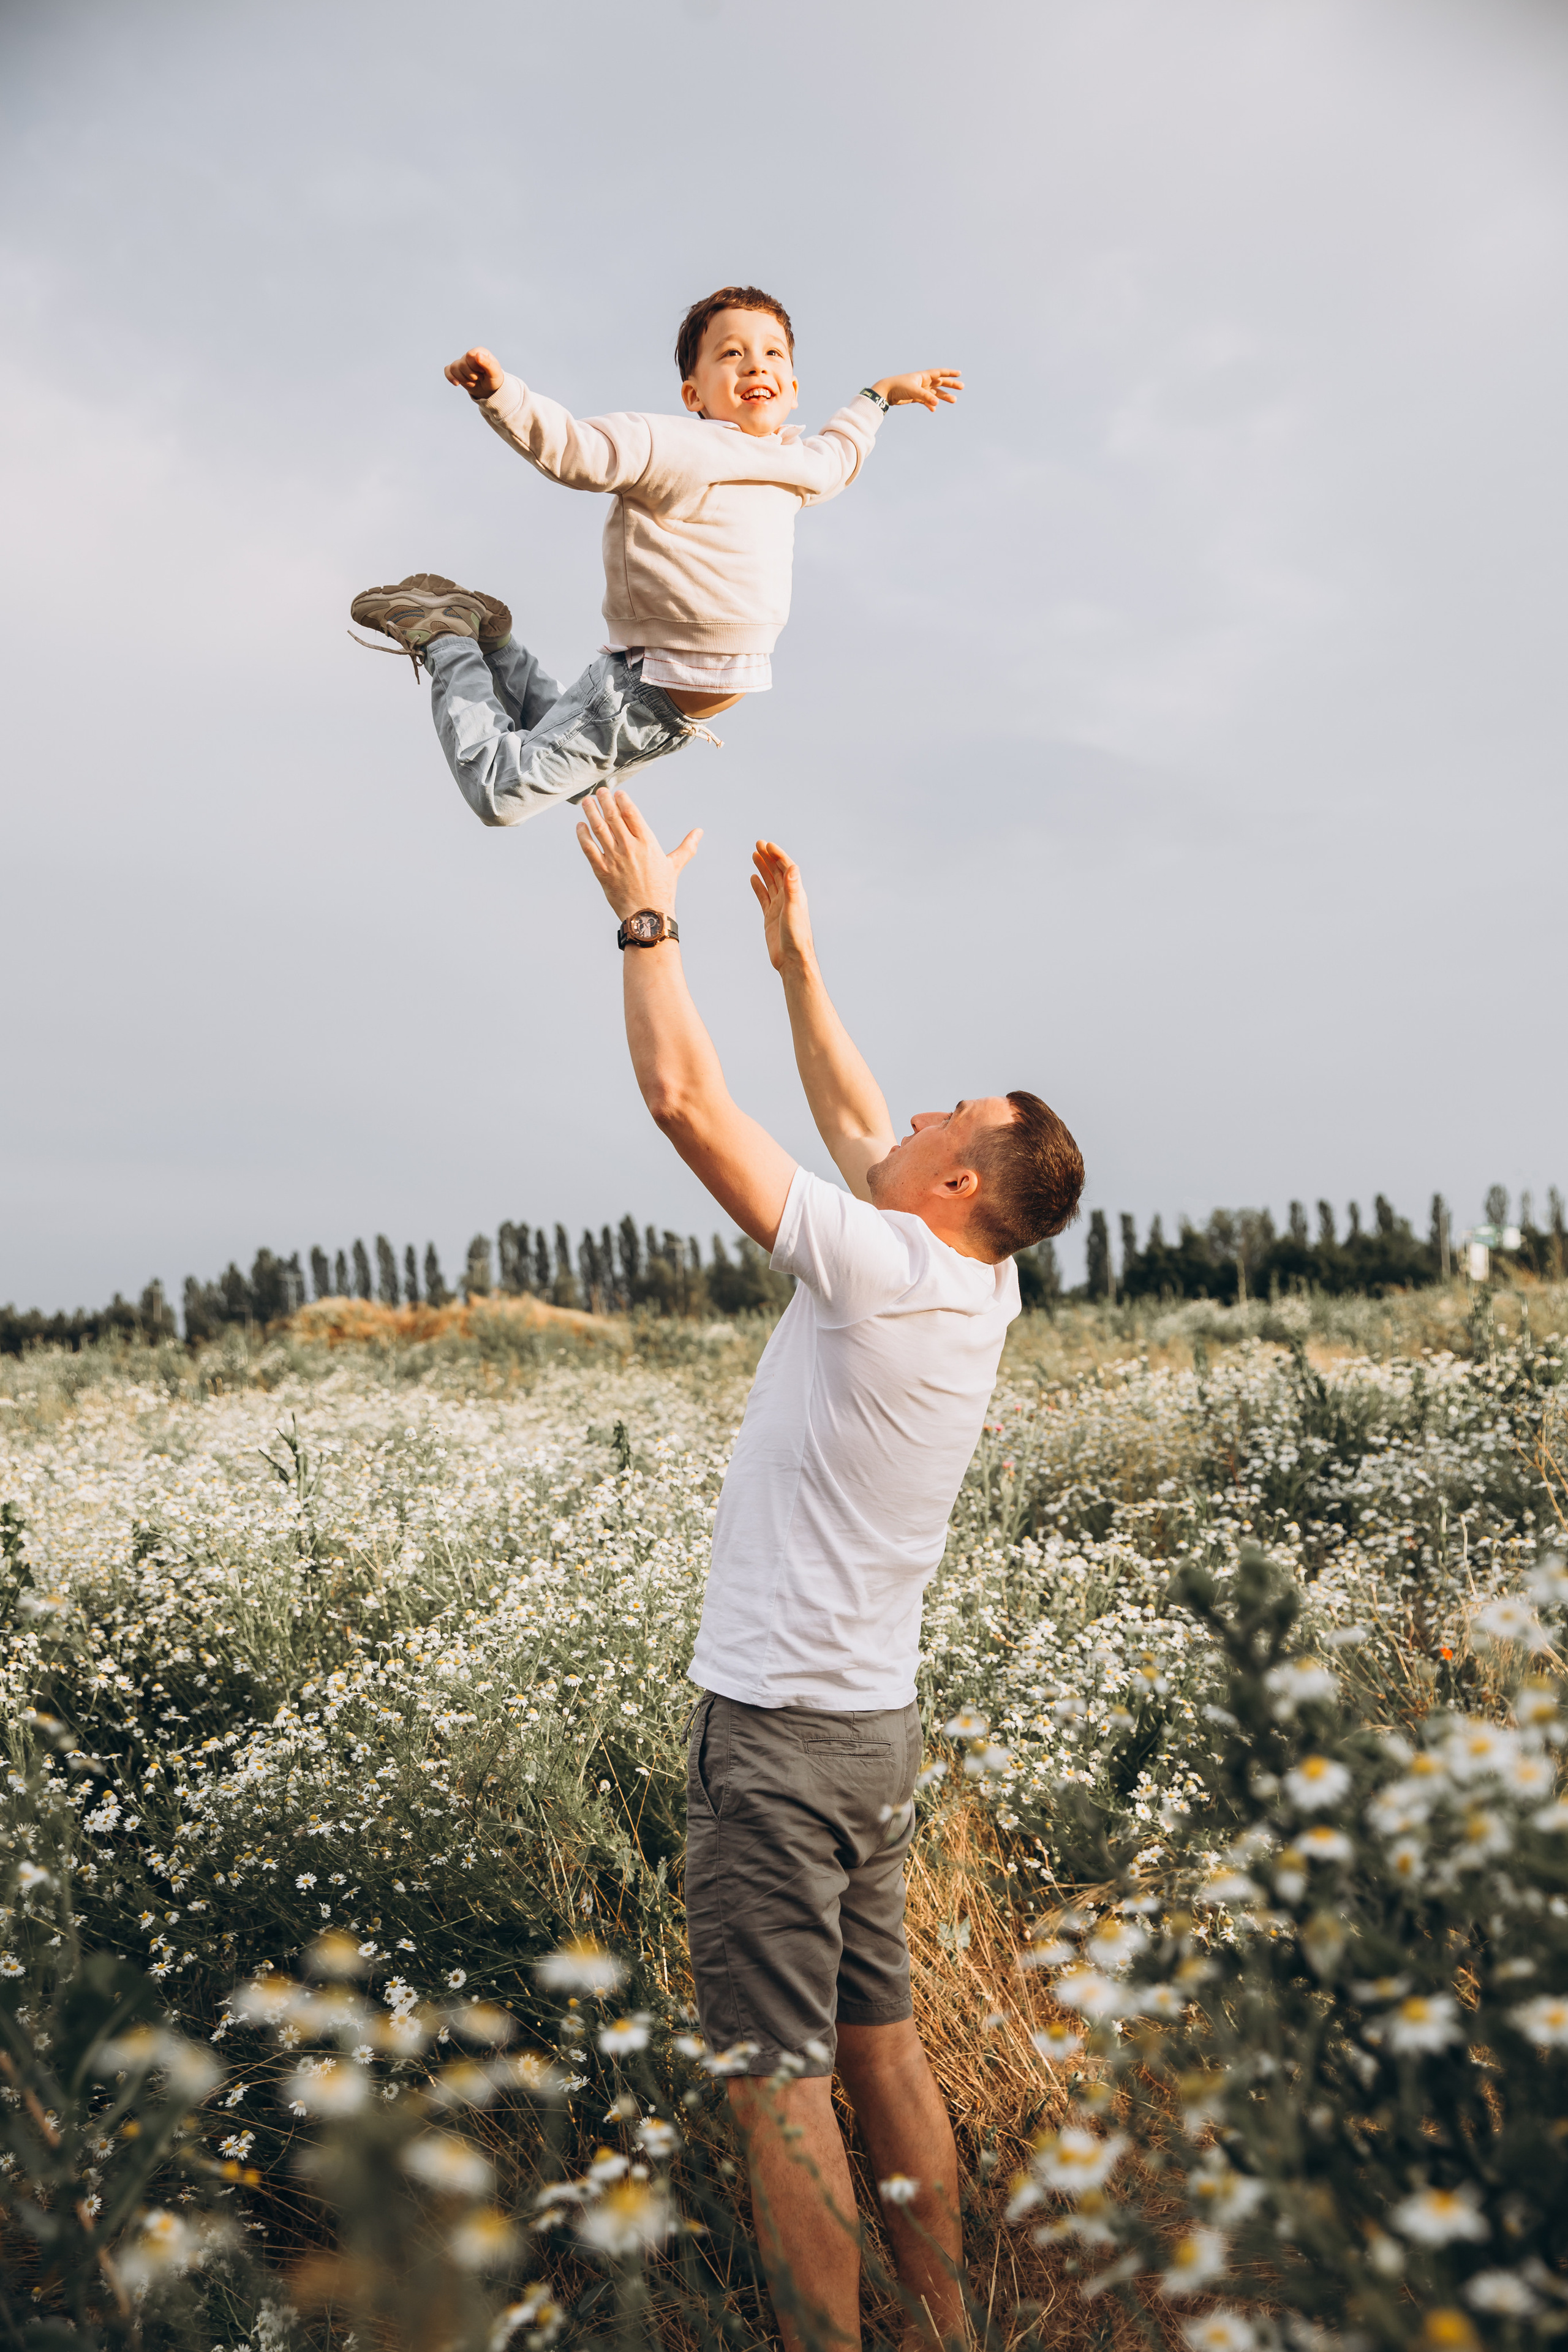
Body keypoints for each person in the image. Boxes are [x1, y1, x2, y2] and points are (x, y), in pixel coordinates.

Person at [575, 788, 1084, 2352]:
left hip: (779, 1739)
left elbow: (683, 1100)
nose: (911, 1114)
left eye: (947, 1117)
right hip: (871, 1734)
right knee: (884, 2049)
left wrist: (647, 920)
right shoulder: (972, 1286)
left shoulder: (875, 1268)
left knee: (777, 2088)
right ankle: (943, 2325)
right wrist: (795, 962)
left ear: (957, 1185)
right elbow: (862, 1117)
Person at [347, 285, 961, 828]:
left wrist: (881, 395)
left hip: (673, 714)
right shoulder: (673, 444)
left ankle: (494, 646)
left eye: (773, 352)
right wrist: (502, 395)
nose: (757, 363)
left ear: (794, 390)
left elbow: (844, 451)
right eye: (732, 353)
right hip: (643, 687)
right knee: (500, 795)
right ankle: (447, 637)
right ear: (694, 393)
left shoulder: (795, 464)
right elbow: (576, 450)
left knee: (580, 784)